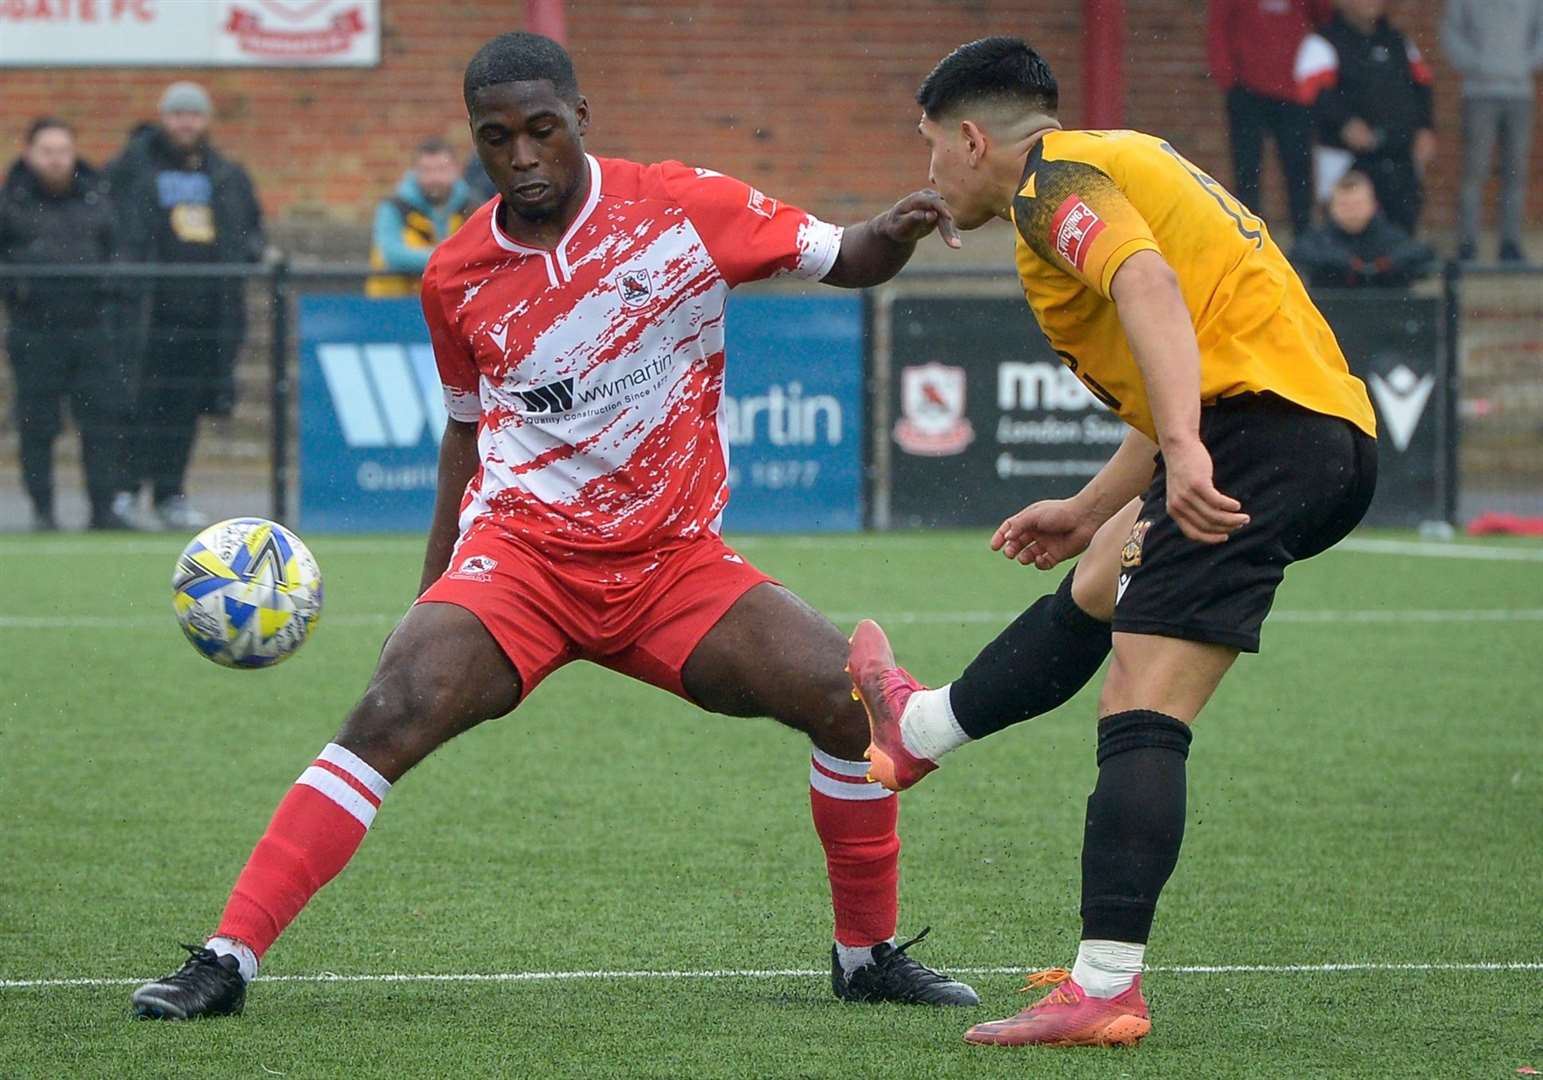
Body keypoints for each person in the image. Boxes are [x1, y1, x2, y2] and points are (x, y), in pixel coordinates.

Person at [130, 32, 980, 1021]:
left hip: (672, 566)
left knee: (848, 707)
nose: (522, 156)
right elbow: (462, 435)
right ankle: (226, 960)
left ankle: (864, 956)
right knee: (388, 712)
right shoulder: (454, 274)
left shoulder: (679, 209)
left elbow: (849, 258)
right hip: (524, 560)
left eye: (541, 130)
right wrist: (433, 588)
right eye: (498, 140)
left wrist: (901, 224)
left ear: (581, 118)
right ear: (477, 143)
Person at [847, 36, 1378, 1049]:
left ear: (971, 139)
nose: (930, 175)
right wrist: (1096, 504)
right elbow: (1184, 341)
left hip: (1261, 437)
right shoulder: (1113, 160)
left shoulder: (1052, 185)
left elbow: (1147, 290)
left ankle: (1104, 987)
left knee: (1142, 699)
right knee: (1100, 579)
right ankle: (917, 735)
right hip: (1309, 434)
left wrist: (1185, 446)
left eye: (928, 151)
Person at [106, 81, 264, 531]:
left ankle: (170, 493)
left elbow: (248, 228)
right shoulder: (134, 167)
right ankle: (125, 491)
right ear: (164, 117)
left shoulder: (225, 174)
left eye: (193, 115)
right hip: (147, 314)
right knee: (138, 405)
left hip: (205, 316)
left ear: (206, 120)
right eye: (177, 114)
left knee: (184, 410)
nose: (185, 123)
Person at [0, 119, 133, 531]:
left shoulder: (98, 197)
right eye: (47, 151)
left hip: (92, 328)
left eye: (63, 150)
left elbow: (119, 252)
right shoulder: (11, 203)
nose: (56, 159)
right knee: (37, 424)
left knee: (102, 422)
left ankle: (103, 509)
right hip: (34, 330)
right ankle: (43, 511)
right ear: (29, 154)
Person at [1295, 0, 1436, 234]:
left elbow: (1422, 84)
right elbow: (1311, 91)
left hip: (1398, 156)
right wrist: (1344, 123)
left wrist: (1425, 127)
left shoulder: (1397, 41)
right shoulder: (1323, 41)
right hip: (1344, 157)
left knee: (1401, 230)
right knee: (1347, 228)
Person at [1207, 0, 1333, 235]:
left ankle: (1304, 237)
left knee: (1298, 167)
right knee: (1247, 169)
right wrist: (1229, 80)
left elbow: (1323, 15)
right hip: (1247, 90)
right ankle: (1251, 237)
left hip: (1294, 91)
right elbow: (1219, 29)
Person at [1441, 0, 1543, 263]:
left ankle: (1510, 244)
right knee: (1474, 171)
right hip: (1478, 93)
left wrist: (1523, 63)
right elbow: (1451, 35)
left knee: (1516, 171)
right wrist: (1479, 64)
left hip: (1520, 94)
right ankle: (1467, 244)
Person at [367, 137, 481, 298]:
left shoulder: (474, 208)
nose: (435, 178)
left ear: (456, 170)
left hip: (455, 303)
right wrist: (450, 259)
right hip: (397, 305)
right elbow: (391, 255)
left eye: (442, 169)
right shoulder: (393, 208)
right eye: (426, 170)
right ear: (414, 172)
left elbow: (482, 256)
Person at [1291, 169, 1435, 287]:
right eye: (1344, 205)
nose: (1351, 211)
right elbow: (1299, 255)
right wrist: (1345, 264)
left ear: (1373, 205)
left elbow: (1422, 254)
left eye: (1357, 204)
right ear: (1331, 208)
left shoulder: (1390, 236)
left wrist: (1385, 264)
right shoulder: (1318, 239)